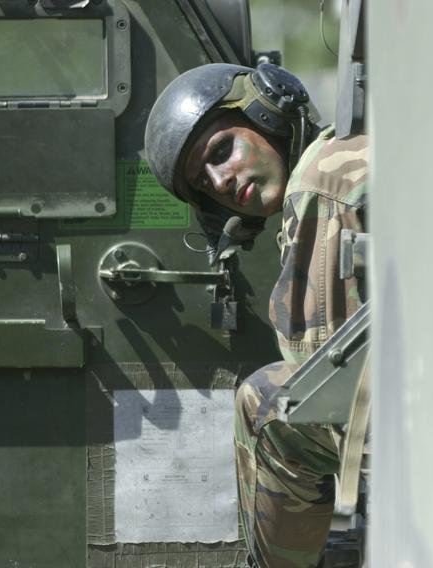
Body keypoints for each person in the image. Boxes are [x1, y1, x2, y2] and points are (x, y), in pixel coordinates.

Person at [144, 63, 368, 568]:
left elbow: (320, 370)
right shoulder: (342, 150)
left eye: (222, 150)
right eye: (205, 181)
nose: (222, 180)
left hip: (417, 417)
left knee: (264, 408)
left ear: (268, 114)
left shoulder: (315, 184)